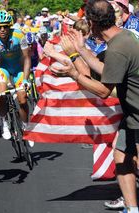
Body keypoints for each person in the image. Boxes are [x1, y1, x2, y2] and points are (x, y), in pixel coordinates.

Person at [51, 1, 139, 212]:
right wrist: (79, 50)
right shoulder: (123, 37)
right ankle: (132, 208)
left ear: (92, 22)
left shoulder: (118, 48)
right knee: (121, 158)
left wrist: (73, 73)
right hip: (132, 116)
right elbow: (103, 69)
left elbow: (102, 90)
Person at [0, 10, 31, 141]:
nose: (2, 29)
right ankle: (4, 122)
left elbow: (27, 58)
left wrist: (26, 79)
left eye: (5, 26)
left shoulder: (19, 35)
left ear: (10, 26)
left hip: (18, 67)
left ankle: (26, 126)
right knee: (1, 93)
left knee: (22, 99)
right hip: (3, 67)